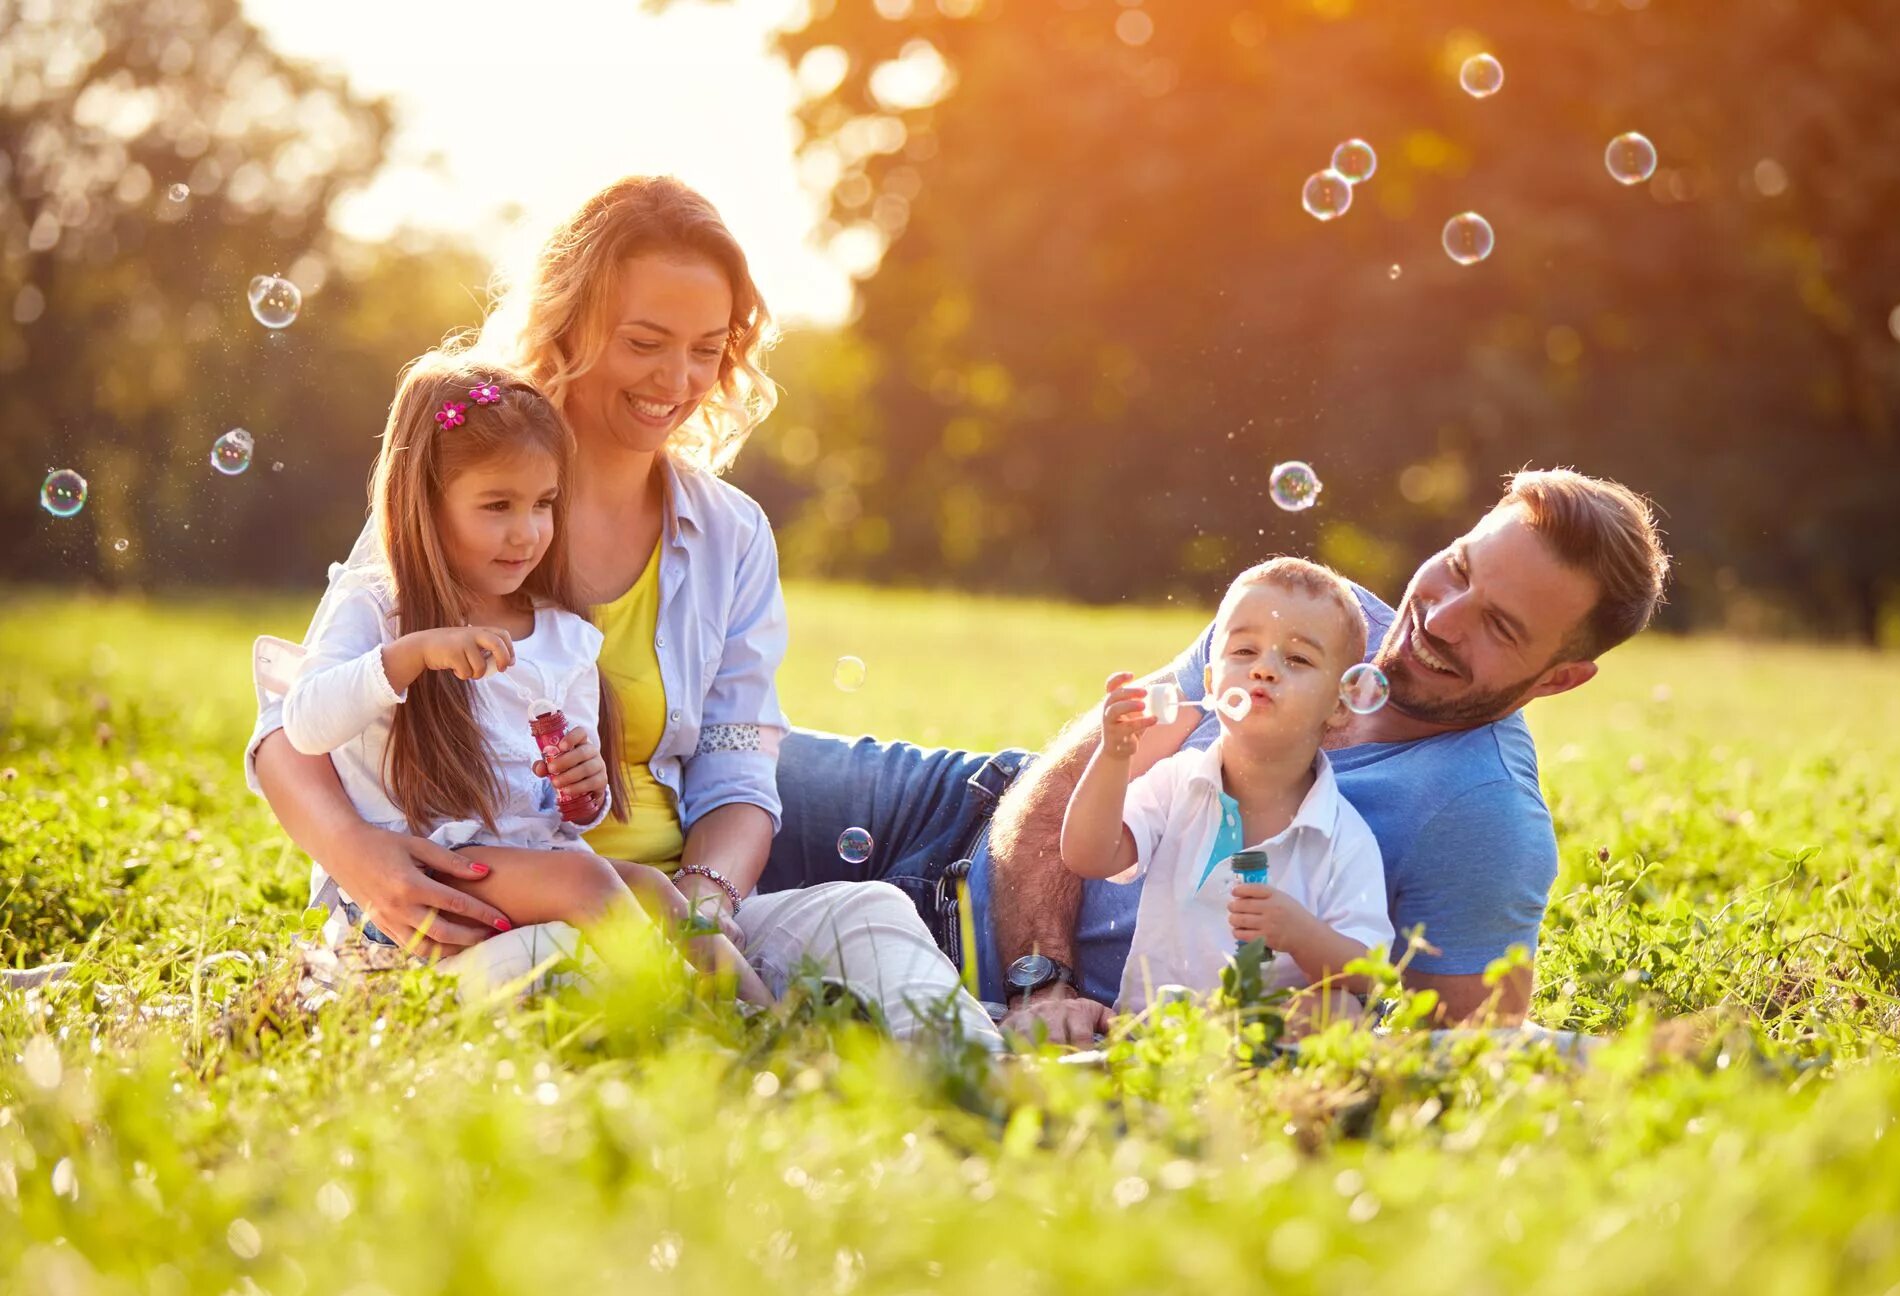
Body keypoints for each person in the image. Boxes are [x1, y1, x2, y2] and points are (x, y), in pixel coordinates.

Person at [247, 175, 1000, 1049]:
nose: (677, 380)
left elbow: (737, 767)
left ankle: (977, 1084)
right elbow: (287, 727)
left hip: (663, 908)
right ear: (570, 325)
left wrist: (706, 909)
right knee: (578, 969)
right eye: (646, 341)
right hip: (486, 912)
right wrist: (359, 859)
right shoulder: (467, 490)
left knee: (866, 914)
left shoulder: (728, 533)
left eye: (707, 349)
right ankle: (763, 1064)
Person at [761, 468, 1671, 1045]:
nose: (1439, 617)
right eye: (1460, 568)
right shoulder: (1317, 611)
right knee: (691, 771)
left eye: (1500, 627)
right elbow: (1080, 768)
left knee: (690, 924)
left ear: (1558, 680)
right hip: (959, 809)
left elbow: (1464, 1051)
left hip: (993, 977)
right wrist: (1043, 978)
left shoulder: (1485, 822)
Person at [278, 352, 769, 1003]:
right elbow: (304, 725)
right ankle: (685, 1020)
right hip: (427, 874)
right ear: (424, 500)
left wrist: (583, 790)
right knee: (589, 886)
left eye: (543, 504)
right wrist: (412, 655)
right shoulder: (376, 607)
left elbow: (570, 817)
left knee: (651, 890)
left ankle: (769, 1028)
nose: (527, 533)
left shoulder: (562, 635)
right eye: (497, 505)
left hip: (525, 864)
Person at [1060, 558, 1392, 1013]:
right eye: (1243, 652)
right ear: (1212, 683)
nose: (1264, 669)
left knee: (1339, 1010)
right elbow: (1086, 854)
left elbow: (1370, 971)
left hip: (1265, 1042)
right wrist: (1113, 758)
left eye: (1297, 659)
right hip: (1157, 1035)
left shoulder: (1342, 837)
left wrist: (1299, 932)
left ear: (1339, 706)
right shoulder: (1178, 783)